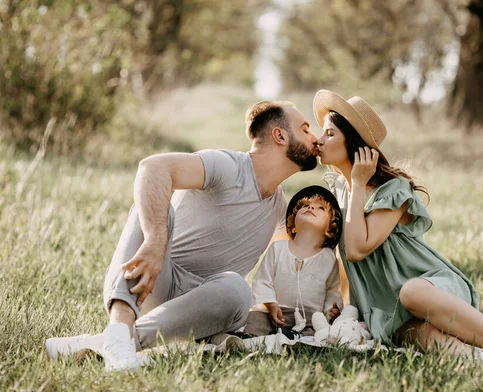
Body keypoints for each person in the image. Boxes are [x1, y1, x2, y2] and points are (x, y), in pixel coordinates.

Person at [45, 100, 320, 371]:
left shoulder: (279, 208)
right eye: (306, 129)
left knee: (238, 290)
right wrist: (154, 241)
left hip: (201, 310)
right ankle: (119, 328)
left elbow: (310, 251)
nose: (315, 137)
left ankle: (114, 340)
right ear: (280, 135)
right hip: (152, 283)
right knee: (156, 210)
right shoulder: (227, 166)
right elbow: (152, 168)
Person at [312, 89, 483, 379]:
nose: (319, 140)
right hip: (391, 311)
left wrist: (359, 183)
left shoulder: (392, 190)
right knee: (414, 335)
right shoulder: (340, 195)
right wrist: (338, 303)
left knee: (411, 293)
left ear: (354, 144)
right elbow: (344, 261)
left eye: (329, 134)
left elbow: (357, 249)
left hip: (431, 289)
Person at [244, 185, 343, 338]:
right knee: (255, 318)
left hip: (310, 316)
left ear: (329, 231)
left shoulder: (328, 258)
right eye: (304, 206)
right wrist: (270, 303)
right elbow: (263, 280)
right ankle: (252, 338)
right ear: (293, 225)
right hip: (275, 311)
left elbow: (332, 291)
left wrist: (331, 309)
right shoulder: (278, 248)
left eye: (320, 208)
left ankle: (301, 340)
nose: (310, 207)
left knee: (317, 329)